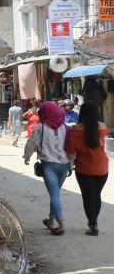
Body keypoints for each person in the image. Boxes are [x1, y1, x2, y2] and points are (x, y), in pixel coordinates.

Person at [24, 100, 72, 236]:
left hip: (49, 165)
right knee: (55, 193)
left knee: (54, 194)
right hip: (64, 165)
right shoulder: (66, 128)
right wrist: (71, 164)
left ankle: (61, 224)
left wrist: (27, 157)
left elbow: (31, 142)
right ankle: (51, 221)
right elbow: (70, 148)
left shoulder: (41, 127)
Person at [66, 101, 109, 236]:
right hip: (102, 167)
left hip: (84, 169)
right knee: (96, 195)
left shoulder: (76, 130)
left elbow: (70, 150)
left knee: (88, 196)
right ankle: (94, 222)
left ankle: (93, 224)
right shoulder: (102, 127)